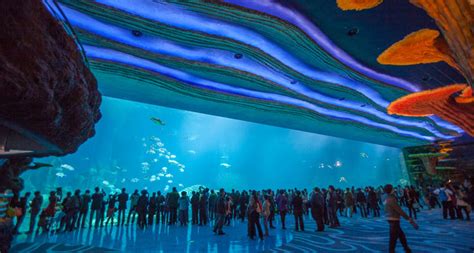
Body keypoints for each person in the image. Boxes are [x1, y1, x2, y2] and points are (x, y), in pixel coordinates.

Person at [384, 184, 418, 253]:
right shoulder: (391, 199)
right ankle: (392, 251)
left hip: (390, 218)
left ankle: (406, 249)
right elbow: (399, 210)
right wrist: (409, 219)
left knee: (401, 235)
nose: (394, 189)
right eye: (393, 188)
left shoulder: (386, 197)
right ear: (391, 190)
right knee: (393, 238)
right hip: (393, 219)